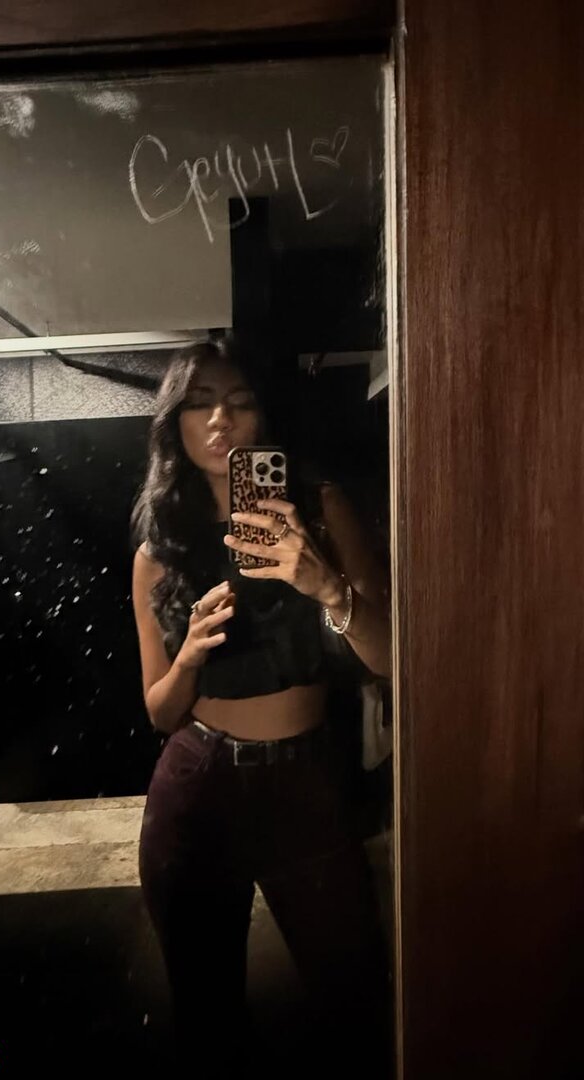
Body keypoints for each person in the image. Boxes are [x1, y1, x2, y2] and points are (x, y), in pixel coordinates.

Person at [130, 336, 392, 1075]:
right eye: (200, 404)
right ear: (176, 424)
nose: (221, 419)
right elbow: (160, 712)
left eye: (240, 402)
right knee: (207, 1020)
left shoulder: (319, 509)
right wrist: (190, 653)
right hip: (198, 788)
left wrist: (326, 585)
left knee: (356, 1004)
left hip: (308, 785)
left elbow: (391, 657)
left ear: (264, 418)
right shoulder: (158, 550)